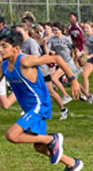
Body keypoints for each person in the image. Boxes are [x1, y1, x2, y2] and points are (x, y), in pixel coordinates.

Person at [0, 30, 83, 170]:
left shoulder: (25, 61)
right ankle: (72, 163)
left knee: (11, 135)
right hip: (28, 108)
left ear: (16, 49)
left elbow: (56, 59)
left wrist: (73, 80)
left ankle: (52, 139)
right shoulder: (4, 66)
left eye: (4, 46)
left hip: (39, 106)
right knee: (39, 147)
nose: (0, 50)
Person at [16, 24, 70, 120]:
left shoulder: (30, 42)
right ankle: (33, 110)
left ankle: (63, 109)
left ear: (26, 32)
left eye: (19, 32)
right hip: (31, 71)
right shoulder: (20, 43)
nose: (17, 34)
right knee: (30, 91)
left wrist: (20, 54)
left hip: (41, 70)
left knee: (50, 92)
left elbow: (36, 57)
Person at [45, 22, 81, 105]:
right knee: (68, 80)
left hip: (68, 62)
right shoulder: (52, 39)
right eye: (53, 30)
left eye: (56, 30)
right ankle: (85, 95)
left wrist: (76, 53)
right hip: (61, 63)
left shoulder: (66, 39)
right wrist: (45, 44)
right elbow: (48, 51)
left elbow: (73, 46)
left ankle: (69, 96)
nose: (55, 32)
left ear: (61, 30)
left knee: (72, 80)